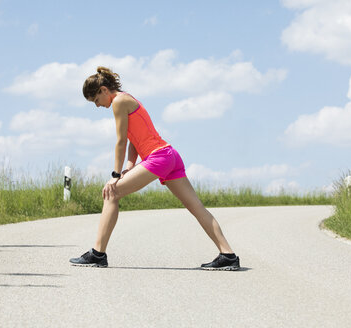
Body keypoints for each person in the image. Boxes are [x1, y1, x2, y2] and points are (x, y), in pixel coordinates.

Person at [69, 67, 240, 271]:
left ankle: (97, 254)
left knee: (111, 193)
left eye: (96, 100)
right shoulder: (127, 99)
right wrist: (130, 167)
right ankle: (228, 255)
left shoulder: (118, 102)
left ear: (104, 90)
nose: (97, 106)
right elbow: (134, 139)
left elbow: (121, 141)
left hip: (159, 157)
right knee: (196, 207)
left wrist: (115, 175)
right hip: (170, 155)